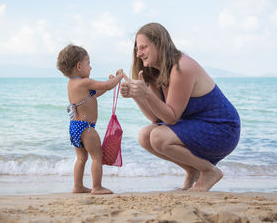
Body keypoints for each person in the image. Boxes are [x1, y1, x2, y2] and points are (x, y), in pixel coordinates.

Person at [120, 23, 240, 192]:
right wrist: (137, 95)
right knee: (145, 136)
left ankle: (209, 171)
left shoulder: (181, 67)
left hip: (222, 129)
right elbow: (157, 118)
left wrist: (145, 93)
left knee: (158, 137)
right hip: (197, 126)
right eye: (137, 49)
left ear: (159, 44)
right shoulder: (155, 71)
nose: (139, 54)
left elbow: (171, 118)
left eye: (143, 47)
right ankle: (192, 170)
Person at [56, 44, 124, 195]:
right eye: (88, 64)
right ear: (79, 66)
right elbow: (107, 85)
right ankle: (97, 187)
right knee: (97, 157)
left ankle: (78, 186)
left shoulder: (72, 84)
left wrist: (109, 85)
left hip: (74, 126)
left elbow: (95, 94)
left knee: (81, 158)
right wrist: (119, 76)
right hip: (87, 127)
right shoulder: (85, 82)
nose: (91, 68)